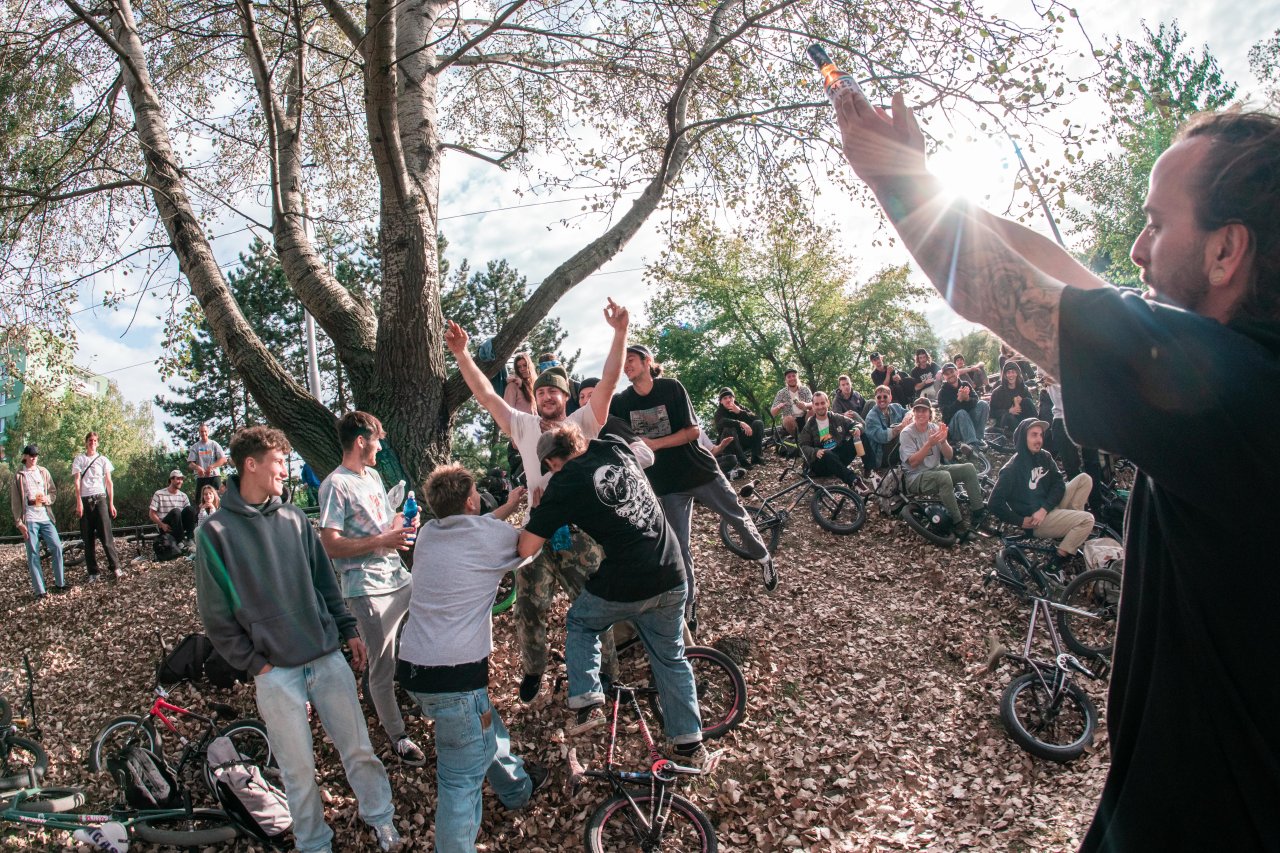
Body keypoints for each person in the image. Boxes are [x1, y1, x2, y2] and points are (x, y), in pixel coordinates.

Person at [832, 89, 1280, 849]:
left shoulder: (1233, 394)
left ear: (1226, 250)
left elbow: (992, 290)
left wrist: (892, 179)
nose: (1137, 248)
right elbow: (1071, 280)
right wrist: (932, 178)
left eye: (1157, 222)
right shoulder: (1235, 374)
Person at [194, 426, 402, 853]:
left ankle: (381, 818)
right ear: (250, 465)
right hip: (275, 671)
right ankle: (314, 844)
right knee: (297, 769)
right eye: (277, 462)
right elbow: (216, 617)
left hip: (325, 655)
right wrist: (258, 664)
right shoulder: (213, 534)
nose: (285, 471)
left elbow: (325, 582)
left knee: (358, 748)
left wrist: (347, 631)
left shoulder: (294, 518)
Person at [446, 299, 628, 703]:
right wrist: (461, 354)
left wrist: (619, 333)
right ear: (536, 395)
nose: (547, 396)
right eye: (541, 390)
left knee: (596, 608)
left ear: (566, 396)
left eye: (554, 391)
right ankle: (533, 671)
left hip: (582, 533)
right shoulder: (524, 427)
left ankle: (609, 676)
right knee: (528, 608)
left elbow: (611, 381)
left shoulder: (584, 422)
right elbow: (485, 395)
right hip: (537, 531)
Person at [517, 425, 709, 765]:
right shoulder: (613, 446)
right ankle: (689, 743)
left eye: (550, 468)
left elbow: (527, 546)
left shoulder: (566, 481)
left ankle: (589, 700)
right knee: (670, 659)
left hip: (630, 579)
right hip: (672, 571)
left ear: (551, 462)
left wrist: (539, 512)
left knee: (580, 621)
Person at [397, 465, 545, 852]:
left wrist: (507, 508)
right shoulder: (491, 536)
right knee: (459, 783)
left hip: (413, 673)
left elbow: (472, 530)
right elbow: (525, 545)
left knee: (483, 724)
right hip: (456, 680)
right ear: (470, 500)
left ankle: (516, 789)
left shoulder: (428, 534)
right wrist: (540, 509)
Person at [611, 345, 777, 611]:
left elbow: (692, 431)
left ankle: (763, 557)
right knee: (680, 545)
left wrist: (656, 443)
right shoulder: (621, 403)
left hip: (699, 471)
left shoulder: (671, 388)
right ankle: (689, 604)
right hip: (666, 485)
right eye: (623, 362)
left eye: (630, 360)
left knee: (735, 515)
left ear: (647, 361)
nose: (626, 366)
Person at [316, 411, 425, 768]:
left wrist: (404, 522)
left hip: (399, 577)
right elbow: (330, 544)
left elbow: (386, 523)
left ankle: (428, 699)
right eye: (376, 439)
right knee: (383, 666)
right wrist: (383, 539)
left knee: (423, 637)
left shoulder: (374, 475)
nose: (380, 446)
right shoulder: (335, 485)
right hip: (366, 589)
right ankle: (399, 736)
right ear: (361, 441)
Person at [988, 419, 1094, 572]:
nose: (1039, 440)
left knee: (1084, 479)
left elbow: (1058, 484)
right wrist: (1019, 521)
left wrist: (1045, 508)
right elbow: (994, 503)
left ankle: (1068, 531)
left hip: (1047, 508)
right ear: (1023, 438)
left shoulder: (1044, 456)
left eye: (1041, 435)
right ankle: (1059, 558)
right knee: (1087, 520)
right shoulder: (1011, 469)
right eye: (1034, 435)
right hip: (1036, 522)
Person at [898, 398, 986, 540]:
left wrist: (944, 441)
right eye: (918, 411)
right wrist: (928, 444)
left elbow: (949, 455)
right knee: (944, 476)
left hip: (935, 468)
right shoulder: (907, 433)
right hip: (915, 477)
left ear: (929, 413)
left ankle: (978, 512)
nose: (921, 414)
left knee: (968, 468)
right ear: (914, 413)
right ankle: (958, 524)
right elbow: (913, 463)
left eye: (924, 410)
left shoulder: (933, 428)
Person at [10, 444, 65, 599]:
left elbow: (52, 491)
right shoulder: (19, 476)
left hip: (45, 517)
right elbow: (15, 502)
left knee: (56, 547)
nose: (34, 458)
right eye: (31, 455)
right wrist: (19, 523)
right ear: (25, 456)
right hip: (30, 519)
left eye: (36, 456)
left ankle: (60, 584)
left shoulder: (43, 472)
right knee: (33, 554)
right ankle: (40, 590)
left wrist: (48, 499)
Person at [71, 431, 121, 581]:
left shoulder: (103, 460)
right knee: (88, 539)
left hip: (100, 499)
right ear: (86, 442)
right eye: (90, 440)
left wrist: (111, 503)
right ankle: (93, 572)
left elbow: (109, 482)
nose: (92, 443)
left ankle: (116, 567)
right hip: (85, 500)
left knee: (107, 536)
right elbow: (77, 482)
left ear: (97, 443)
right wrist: (79, 502)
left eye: (94, 441)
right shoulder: (79, 459)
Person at [798, 391, 863, 487]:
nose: (820, 407)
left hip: (838, 456)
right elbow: (803, 446)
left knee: (863, 435)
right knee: (826, 453)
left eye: (822, 403)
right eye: (817, 404)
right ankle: (853, 481)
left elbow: (856, 424)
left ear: (828, 403)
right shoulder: (810, 425)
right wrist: (815, 451)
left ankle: (870, 471)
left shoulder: (836, 418)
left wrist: (857, 429)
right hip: (822, 463)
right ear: (813, 406)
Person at [936, 362, 990, 447]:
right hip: (954, 428)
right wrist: (959, 400)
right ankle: (972, 444)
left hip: (970, 422)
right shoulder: (942, 393)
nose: (950, 375)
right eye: (947, 374)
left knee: (983, 404)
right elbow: (946, 414)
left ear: (957, 372)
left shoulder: (966, 384)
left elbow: (976, 400)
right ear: (944, 377)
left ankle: (979, 438)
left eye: (952, 372)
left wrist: (967, 399)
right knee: (961, 413)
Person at [148, 469, 197, 554]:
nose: (180, 481)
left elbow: (189, 514)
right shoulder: (159, 494)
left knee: (190, 509)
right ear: (171, 479)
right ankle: (180, 541)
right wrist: (161, 524)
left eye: (182, 479)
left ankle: (189, 539)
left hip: (179, 526)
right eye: (178, 479)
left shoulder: (183, 496)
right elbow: (151, 513)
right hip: (166, 525)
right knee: (176, 511)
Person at [712, 388, 764, 467]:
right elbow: (722, 422)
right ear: (721, 401)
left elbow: (757, 419)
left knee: (758, 423)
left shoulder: (740, 407)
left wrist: (740, 412)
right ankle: (742, 461)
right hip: (729, 445)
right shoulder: (719, 413)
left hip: (743, 441)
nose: (728, 400)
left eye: (730, 397)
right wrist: (740, 423)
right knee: (729, 429)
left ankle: (756, 458)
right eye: (725, 398)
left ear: (734, 398)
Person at [863, 385, 909, 470]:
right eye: (879, 397)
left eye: (885, 396)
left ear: (890, 397)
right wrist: (901, 427)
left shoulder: (896, 407)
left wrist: (907, 417)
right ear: (875, 399)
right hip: (881, 455)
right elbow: (882, 437)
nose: (882, 399)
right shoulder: (871, 416)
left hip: (895, 448)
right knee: (904, 433)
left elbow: (909, 413)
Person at [988, 362, 1034, 434]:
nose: (1011, 375)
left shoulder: (1023, 388)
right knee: (1008, 417)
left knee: (1027, 401)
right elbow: (992, 413)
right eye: (1008, 373)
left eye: (1013, 372)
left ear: (1017, 373)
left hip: (1022, 419)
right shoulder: (997, 392)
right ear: (1005, 375)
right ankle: (1020, 434)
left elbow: (1031, 407)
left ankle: (1035, 428)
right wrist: (1008, 410)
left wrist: (1022, 400)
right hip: (1006, 422)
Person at [769, 367, 813, 438]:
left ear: (797, 377)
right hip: (790, 420)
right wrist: (778, 407)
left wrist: (806, 405)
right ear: (786, 380)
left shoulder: (805, 389)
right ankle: (799, 440)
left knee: (813, 411)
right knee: (788, 419)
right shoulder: (781, 393)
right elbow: (772, 413)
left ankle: (810, 435)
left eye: (793, 376)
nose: (792, 378)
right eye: (789, 377)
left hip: (805, 417)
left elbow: (813, 404)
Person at [187, 423, 228, 497]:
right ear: (199, 433)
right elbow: (190, 464)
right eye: (201, 432)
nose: (204, 433)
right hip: (201, 478)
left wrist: (212, 466)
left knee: (217, 499)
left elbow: (223, 459)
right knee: (199, 499)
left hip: (214, 476)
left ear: (208, 432)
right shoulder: (195, 446)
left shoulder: (214, 444)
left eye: (205, 431)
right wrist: (197, 468)